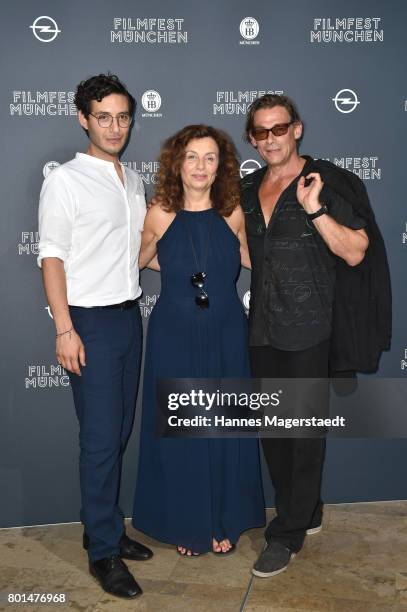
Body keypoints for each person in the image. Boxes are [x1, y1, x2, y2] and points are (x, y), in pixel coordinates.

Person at [241, 94, 391, 578]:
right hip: (262, 327)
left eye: (279, 129)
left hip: (310, 329)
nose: (271, 140)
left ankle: (286, 533)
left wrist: (315, 211)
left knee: (301, 436)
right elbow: (251, 254)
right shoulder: (247, 189)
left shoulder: (325, 182)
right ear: (251, 138)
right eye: (261, 132)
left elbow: (355, 251)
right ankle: (307, 509)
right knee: (273, 433)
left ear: (297, 129)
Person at [38, 73, 153, 599]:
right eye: (103, 116)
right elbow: (52, 255)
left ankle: (102, 525)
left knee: (119, 432)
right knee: (102, 441)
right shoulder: (65, 179)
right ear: (83, 118)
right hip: (89, 322)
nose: (115, 127)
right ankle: (103, 553)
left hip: (130, 317)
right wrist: (65, 328)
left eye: (123, 116)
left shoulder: (132, 179)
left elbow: (131, 253)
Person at [132, 124, 265, 556]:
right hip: (175, 331)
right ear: (177, 162)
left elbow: (254, 261)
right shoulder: (158, 213)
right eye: (192, 156)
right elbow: (135, 262)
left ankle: (223, 518)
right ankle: (188, 522)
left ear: (221, 165)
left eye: (210, 158)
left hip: (226, 329)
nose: (201, 166)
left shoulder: (233, 213)